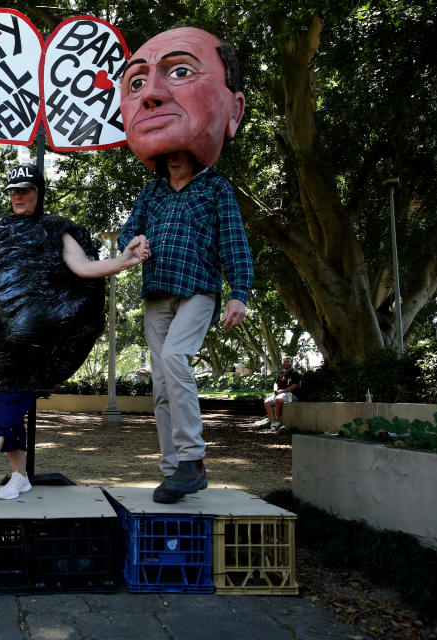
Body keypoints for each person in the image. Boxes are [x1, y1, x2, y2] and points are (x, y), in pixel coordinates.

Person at [0, 164, 148, 499]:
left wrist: (123, 261)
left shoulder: (55, 229)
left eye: (26, 190)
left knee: (11, 394)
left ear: (38, 193)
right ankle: (20, 476)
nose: (18, 197)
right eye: (13, 191)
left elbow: (82, 267)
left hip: (36, 335)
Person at [117, 27, 254, 504]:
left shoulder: (215, 188)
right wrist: (133, 243)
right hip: (157, 292)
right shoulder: (151, 192)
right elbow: (126, 233)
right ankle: (173, 468)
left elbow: (235, 244)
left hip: (198, 290)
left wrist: (239, 293)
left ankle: (193, 459)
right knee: (159, 383)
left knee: (176, 360)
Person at [264, 356, 300, 429]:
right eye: (284, 362)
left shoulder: (295, 373)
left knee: (278, 399)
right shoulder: (281, 373)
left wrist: (282, 391)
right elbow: (276, 383)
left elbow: (295, 386)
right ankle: (274, 423)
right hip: (280, 393)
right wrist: (275, 389)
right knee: (267, 402)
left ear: (291, 363)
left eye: (288, 362)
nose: (286, 363)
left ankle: (277, 418)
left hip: (291, 395)